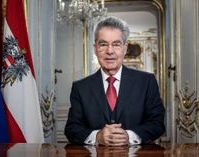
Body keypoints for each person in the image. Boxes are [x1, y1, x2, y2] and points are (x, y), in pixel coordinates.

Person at [64, 16, 165, 146]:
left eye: (116, 44)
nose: (109, 51)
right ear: (95, 49)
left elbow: (157, 123)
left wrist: (129, 136)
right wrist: (97, 137)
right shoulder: (80, 87)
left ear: (125, 48)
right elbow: (72, 129)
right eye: (103, 44)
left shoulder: (147, 82)